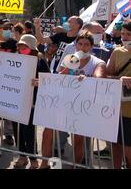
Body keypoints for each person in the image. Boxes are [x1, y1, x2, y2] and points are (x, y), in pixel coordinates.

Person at [40, 31, 106, 168]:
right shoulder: (70, 59)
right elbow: (59, 76)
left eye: (86, 45)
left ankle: (75, 165)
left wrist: (87, 79)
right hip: (63, 102)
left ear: (91, 47)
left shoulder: (98, 62)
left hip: (83, 106)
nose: (82, 47)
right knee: (48, 131)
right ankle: (44, 163)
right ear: (76, 45)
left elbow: (98, 78)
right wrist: (71, 65)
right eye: (80, 44)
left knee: (78, 138)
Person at [12, 34, 50, 169]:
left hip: (31, 101)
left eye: (24, 46)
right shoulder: (14, 59)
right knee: (17, 129)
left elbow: (48, 79)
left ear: (32, 48)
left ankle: (33, 158)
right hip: (15, 99)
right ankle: (22, 156)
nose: (21, 48)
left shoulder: (40, 61)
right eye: (20, 46)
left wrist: (40, 82)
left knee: (28, 130)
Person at [106, 21, 131, 169]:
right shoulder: (117, 52)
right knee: (115, 145)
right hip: (117, 109)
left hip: (129, 113)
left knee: (128, 149)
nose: (125, 37)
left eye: (129, 34)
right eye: (123, 34)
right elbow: (108, 75)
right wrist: (119, 79)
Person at [0, 19, 17, 146]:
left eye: (10, 28)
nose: (8, 30)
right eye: (5, 28)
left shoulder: (15, 43)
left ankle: (9, 134)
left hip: (10, 80)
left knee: (8, 108)